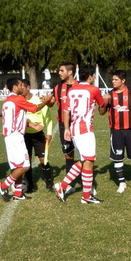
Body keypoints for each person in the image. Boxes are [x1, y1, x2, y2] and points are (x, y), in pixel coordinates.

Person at [54, 67, 106, 204]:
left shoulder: (72, 90)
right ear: (89, 77)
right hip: (85, 130)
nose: (94, 78)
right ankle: (86, 197)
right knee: (89, 161)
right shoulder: (93, 89)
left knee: (84, 160)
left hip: (74, 129)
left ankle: (63, 186)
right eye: (93, 76)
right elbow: (102, 108)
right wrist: (106, 99)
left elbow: (66, 110)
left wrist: (66, 128)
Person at [0, 78, 52, 201]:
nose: (23, 87)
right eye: (21, 85)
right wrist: (46, 101)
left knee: (18, 166)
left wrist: (28, 125)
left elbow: (13, 118)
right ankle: (3, 186)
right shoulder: (18, 99)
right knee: (24, 166)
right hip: (16, 136)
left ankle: (18, 194)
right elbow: (35, 108)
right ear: (15, 87)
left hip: (10, 136)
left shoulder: (8, 101)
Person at [100, 70, 131, 194]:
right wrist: (104, 102)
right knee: (118, 158)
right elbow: (101, 112)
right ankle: (121, 183)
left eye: (116, 79)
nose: (113, 82)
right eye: (112, 79)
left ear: (123, 80)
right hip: (116, 132)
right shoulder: (109, 94)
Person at [23, 79, 54, 193]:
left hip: (39, 136)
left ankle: (49, 183)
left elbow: (48, 119)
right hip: (25, 135)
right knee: (27, 161)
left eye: (23, 87)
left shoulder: (38, 101)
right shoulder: (20, 102)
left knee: (43, 159)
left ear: (28, 88)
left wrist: (49, 134)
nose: (21, 89)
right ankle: (30, 185)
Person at [53, 62, 78, 194]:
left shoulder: (79, 87)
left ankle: (88, 184)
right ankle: (70, 183)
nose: (59, 73)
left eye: (62, 70)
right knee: (68, 155)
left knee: (85, 155)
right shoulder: (57, 88)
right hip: (63, 125)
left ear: (70, 72)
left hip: (78, 125)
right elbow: (51, 102)